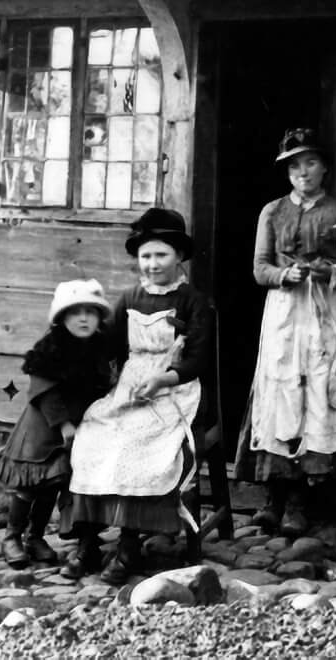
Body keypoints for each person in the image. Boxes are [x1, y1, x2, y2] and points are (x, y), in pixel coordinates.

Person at [237, 126, 336, 536]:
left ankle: (301, 503)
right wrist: (284, 275)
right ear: (287, 172)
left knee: (318, 391)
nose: (303, 172)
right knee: (282, 392)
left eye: (311, 162)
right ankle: (274, 497)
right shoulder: (272, 212)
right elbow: (259, 268)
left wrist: (328, 271)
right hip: (285, 312)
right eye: (295, 166)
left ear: (324, 168)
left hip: (327, 314)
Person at [60, 207, 215, 584]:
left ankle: (129, 545)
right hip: (130, 390)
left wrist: (163, 380)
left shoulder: (193, 301)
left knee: (136, 443)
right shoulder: (130, 297)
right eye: (146, 256)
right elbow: (109, 345)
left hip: (175, 392)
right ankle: (87, 542)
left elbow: (197, 359)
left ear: (179, 256)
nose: (152, 264)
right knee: (92, 436)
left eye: (161, 255)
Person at [0, 278, 117, 568]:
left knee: (54, 481)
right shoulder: (51, 346)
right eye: (75, 312)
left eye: (90, 312)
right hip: (44, 424)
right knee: (31, 482)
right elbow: (44, 390)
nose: (84, 318)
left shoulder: (99, 347)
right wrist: (64, 425)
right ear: (62, 317)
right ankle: (12, 536)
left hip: (78, 424)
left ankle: (35, 537)